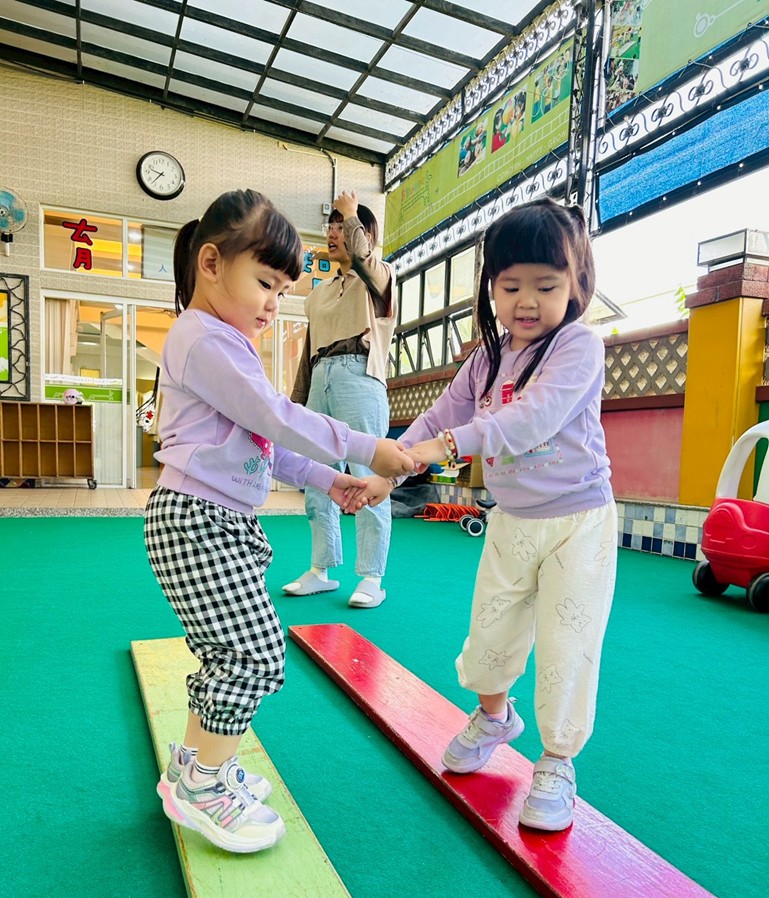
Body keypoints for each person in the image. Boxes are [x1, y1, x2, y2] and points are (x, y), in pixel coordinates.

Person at [144, 189, 413, 855]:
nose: (273, 303)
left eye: (282, 291)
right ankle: (203, 786)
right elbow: (275, 416)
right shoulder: (204, 339)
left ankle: (197, 767)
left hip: (214, 521)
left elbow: (268, 446)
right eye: (264, 283)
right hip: (196, 521)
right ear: (211, 263)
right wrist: (365, 446)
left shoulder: (224, 342)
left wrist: (331, 479)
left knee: (231, 651)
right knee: (253, 652)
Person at [349, 198, 616, 832]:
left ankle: (557, 761)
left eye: (545, 286)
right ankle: (495, 717)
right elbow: (438, 418)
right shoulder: (486, 359)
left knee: (568, 643)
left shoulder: (578, 346)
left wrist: (440, 449)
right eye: (510, 285)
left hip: (578, 522)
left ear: (576, 284)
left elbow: (529, 421)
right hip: (512, 521)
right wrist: (388, 472)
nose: (527, 301)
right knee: (491, 634)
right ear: (491, 287)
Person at [283, 191, 398, 609]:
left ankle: (372, 576)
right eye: (330, 226)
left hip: (360, 375)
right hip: (321, 376)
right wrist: (297, 403)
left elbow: (366, 262)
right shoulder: (318, 295)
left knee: (368, 473)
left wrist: (352, 214)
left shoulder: (380, 277)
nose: (332, 233)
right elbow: (309, 352)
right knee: (318, 476)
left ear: (362, 233)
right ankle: (321, 569)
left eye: (341, 226)